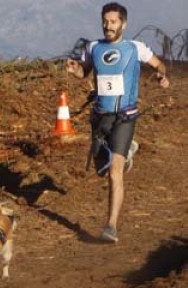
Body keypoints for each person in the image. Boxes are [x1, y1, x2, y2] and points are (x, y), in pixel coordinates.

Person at [64, 2, 169, 243]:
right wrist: (75, 70)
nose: (108, 26)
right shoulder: (93, 47)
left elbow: (158, 64)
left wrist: (161, 75)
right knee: (102, 169)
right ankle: (128, 151)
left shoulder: (135, 48)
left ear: (123, 23)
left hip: (125, 116)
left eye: (113, 22)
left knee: (114, 172)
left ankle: (110, 226)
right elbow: (84, 72)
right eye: (105, 21)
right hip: (100, 117)